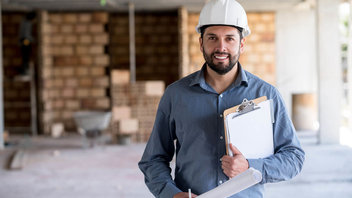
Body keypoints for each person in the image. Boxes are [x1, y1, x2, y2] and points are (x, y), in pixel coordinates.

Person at [138, 0, 305, 197]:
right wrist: (171, 194)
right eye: (212, 38)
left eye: (229, 39)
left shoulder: (267, 95)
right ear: (201, 43)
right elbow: (153, 160)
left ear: (242, 44)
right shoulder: (176, 95)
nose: (221, 47)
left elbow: (294, 158)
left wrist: (251, 167)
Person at [18, 12, 36, 76]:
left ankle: (25, 70)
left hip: (23, 41)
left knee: (25, 57)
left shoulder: (23, 21)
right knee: (26, 56)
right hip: (25, 41)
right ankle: (24, 71)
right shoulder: (28, 23)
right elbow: (26, 35)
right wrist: (34, 40)